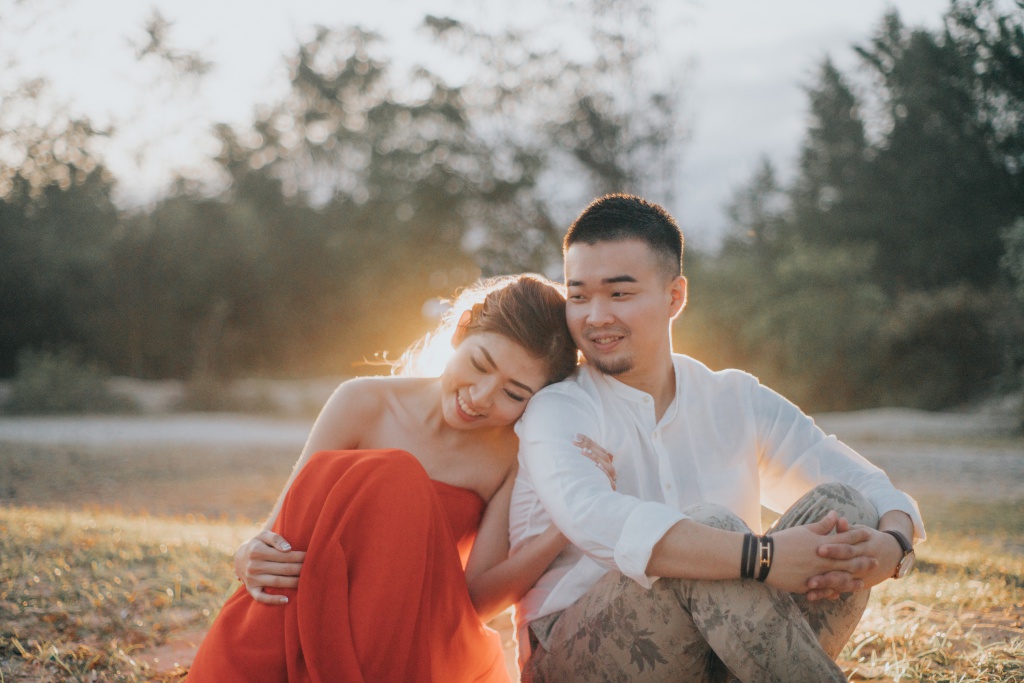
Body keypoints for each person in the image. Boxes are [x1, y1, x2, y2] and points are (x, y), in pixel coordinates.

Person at [509, 194, 926, 682]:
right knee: (709, 534)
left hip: (724, 645)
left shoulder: (733, 395)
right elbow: (595, 519)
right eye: (578, 295)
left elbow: (854, 476)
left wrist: (893, 545)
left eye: (619, 293)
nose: (595, 316)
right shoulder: (557, 409)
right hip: (575, 652)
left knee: (845, 505)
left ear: (675, 297)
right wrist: (762, 558)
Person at [186, 274, 590, 683]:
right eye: (480, 364)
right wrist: (246, 555)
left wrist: (561, 530)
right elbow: (280, 530)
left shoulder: (510, 457)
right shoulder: (362, 402)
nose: (482, 396)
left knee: (398, 475)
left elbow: (474, 600)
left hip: (402, 642)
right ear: (462, 329)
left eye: (514, 394)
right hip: (297, 618)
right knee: (395, 473)